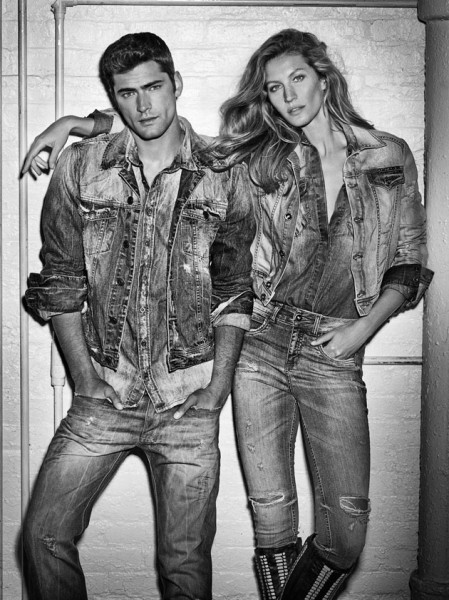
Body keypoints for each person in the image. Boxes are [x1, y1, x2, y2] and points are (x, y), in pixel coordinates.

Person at [22, 28, 433, 600]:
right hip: (254, 344)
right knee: (271, 519)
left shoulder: (384, 155)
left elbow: (408, 261)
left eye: (298, 78)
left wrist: (362, 329)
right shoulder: (258, 156)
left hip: (321, 352)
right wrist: (78, 124)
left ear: (324, 77)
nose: (288, 95)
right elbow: (152, 130)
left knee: (344, 532)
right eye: (274, 87)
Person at [22, 31, 255, 600]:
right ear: (114, 97)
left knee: (184, 566)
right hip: (107, 393)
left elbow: (233, 289)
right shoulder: (82, 166)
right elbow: (61, 281)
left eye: (153, 87)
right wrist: (85, 380)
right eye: (127, 93)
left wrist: (217, 390)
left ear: (176, 84)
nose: (143, 105)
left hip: (188, 400)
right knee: (43, 536)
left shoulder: (224, 171)